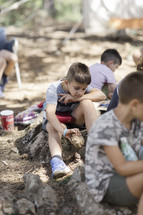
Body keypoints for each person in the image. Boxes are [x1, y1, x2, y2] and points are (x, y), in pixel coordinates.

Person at [85, 71, 143, 215]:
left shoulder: (135, 121)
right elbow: (122, 167)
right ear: (134, 104)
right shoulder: (106, 126)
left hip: (130, 170)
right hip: (106, 183)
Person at [43, 62, 106, 178]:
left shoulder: (80, 89)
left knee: (87, 102)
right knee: (52, 127)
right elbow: (50, 114)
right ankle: (57, 162)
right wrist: (64, 132)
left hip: (73, 116)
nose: (80, 92)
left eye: (84, 89)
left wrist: (78, 98)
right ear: (67, 82)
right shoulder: (54, 89)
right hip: (57, 119)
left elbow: (102, 96)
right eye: (77, 88)